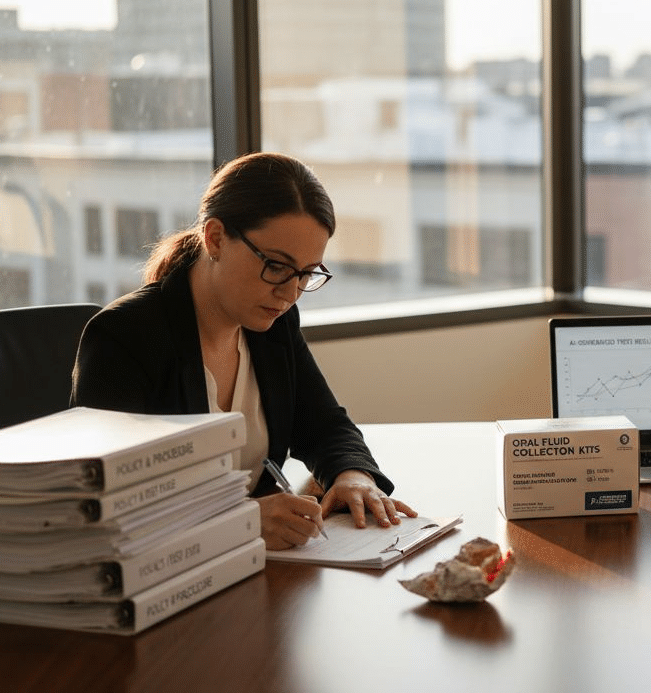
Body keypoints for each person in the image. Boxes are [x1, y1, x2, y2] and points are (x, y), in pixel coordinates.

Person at [72, 152, 416, 550]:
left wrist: (353, 475)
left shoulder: (271, 326)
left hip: (257, 570)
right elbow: (112, 505)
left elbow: (324, 424)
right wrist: (241, 520)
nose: (290, 293)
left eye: (307, 273)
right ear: (215, 238)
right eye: (276, 266)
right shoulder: (124, 338)